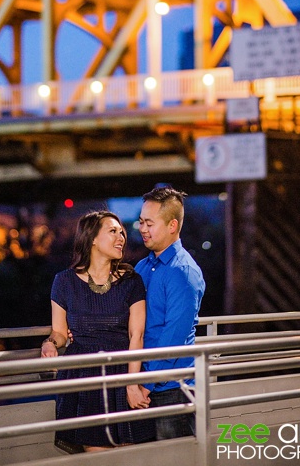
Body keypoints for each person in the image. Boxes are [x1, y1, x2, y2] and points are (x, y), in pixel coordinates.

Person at [41, 210, 154, 452]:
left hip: (121, 372)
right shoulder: (64, 281)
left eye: (121, 232)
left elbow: (137, 335)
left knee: (128, 453)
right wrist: (50, 343)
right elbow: (59, 332)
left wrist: (132, 384)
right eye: (112, 231)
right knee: (96, 455)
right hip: (83, 377)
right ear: (92, 238)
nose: (121, 237)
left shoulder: (132, 281)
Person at [135, 186, 206, 440]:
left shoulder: (182, 272)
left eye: (149, 223)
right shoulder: (143, 266)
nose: (142, 228)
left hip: (172, 390)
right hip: (146, 385)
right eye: (141, 222)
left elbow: (172, 338)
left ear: (172, 226)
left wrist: (144, 383)